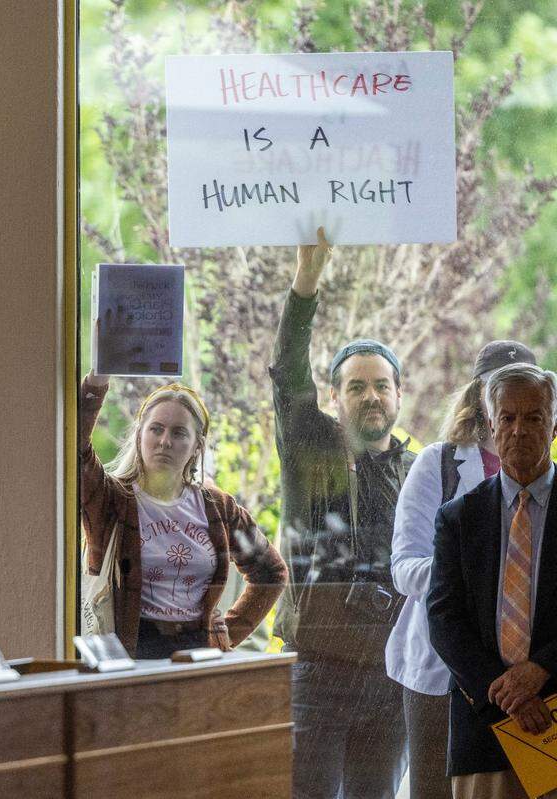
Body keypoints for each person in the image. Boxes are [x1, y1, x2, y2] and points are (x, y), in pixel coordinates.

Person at [272, 227, 415, 798]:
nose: (371, 397)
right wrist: (305, 286)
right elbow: (287, 374)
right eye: (356, 387)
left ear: (400, 395)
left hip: (389, 673)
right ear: (335, 398)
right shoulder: (311, 447)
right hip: (318, 668)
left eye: (382, 386)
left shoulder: (420, 473)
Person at [388, 341, 537, 799]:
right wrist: (469, 571)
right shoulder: (438, 463)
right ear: (480, 396)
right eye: (500, 388)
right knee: (435, 789)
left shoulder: (544, 472)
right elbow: (403, 566)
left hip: (524, 672)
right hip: (441, 670)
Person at [80, 371, 288, 658]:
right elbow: (76, 450)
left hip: (196, 654)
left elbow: (271, 573)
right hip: (129, 652)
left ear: (197, 446)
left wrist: (227, 632)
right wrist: (97, 383)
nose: (165, 441)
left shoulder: (218, 507)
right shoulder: (112, 500)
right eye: (156, 429)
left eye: (179, 433)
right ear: (140, 433)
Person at [429, 362, 557, 799]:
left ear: (555, 425)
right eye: (508, 418)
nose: (519, 430)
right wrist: (509, 696)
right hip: (484, 723)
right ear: (491, 426)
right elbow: (444, 618)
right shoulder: (458, 518)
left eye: (534, 417)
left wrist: (541, 669)